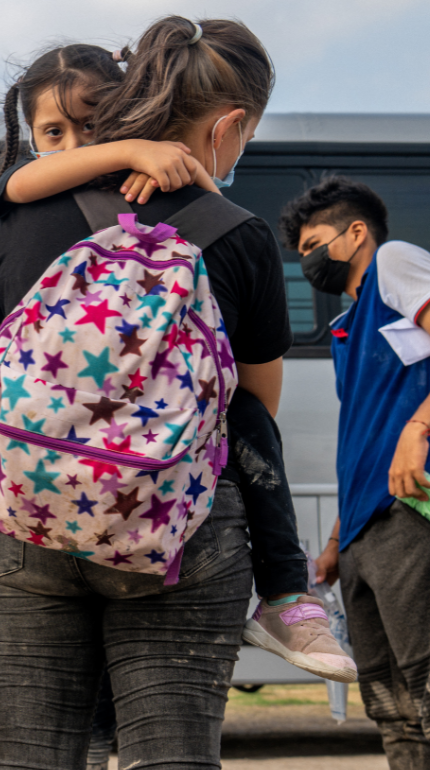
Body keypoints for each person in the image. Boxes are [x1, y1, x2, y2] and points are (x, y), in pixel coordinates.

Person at [0, 16, 295, 768]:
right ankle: (294, 602)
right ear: (233, 124)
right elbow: (256, 403)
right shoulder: (238, 233)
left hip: (28, 518)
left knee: (32, 755)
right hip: (179, 528)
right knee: (170, 755)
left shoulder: (26, 213)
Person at [0, 41, 229, 745]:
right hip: (144, 462)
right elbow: (13, 186)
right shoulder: (40, 191)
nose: (74, 144)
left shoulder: (32, 223)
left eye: (94, 123)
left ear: (128, 113)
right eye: (54, 133)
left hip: (32, 432)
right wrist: (136, 150)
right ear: (31, 139)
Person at [279, 176, 430, 769]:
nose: (309, 259)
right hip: (365, 533)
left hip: (407, 512)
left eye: (315, 243)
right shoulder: (348, 326)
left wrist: (420, 431)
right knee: (389, 703)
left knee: (422, 680)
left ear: (356, 232)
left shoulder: (393, 263)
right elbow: (362, 441)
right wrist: (340, 540)